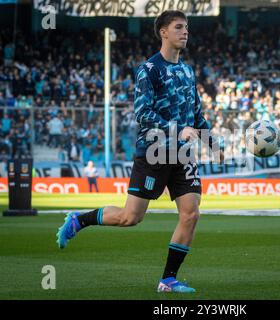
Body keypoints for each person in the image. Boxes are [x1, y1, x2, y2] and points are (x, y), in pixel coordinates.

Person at [56, 10, 223, 293]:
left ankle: (168, 279)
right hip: (153, 152)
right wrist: (176, 129)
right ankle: (78, 220)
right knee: (130, 217)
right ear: (164, 32)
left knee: (191, 214)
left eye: (187, 28)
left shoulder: (187, 70)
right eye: (179, 27)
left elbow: (195, 114)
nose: (186, 32)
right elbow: (142, 113)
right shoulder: (149, 69)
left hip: (182, 155)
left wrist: (212, 142)